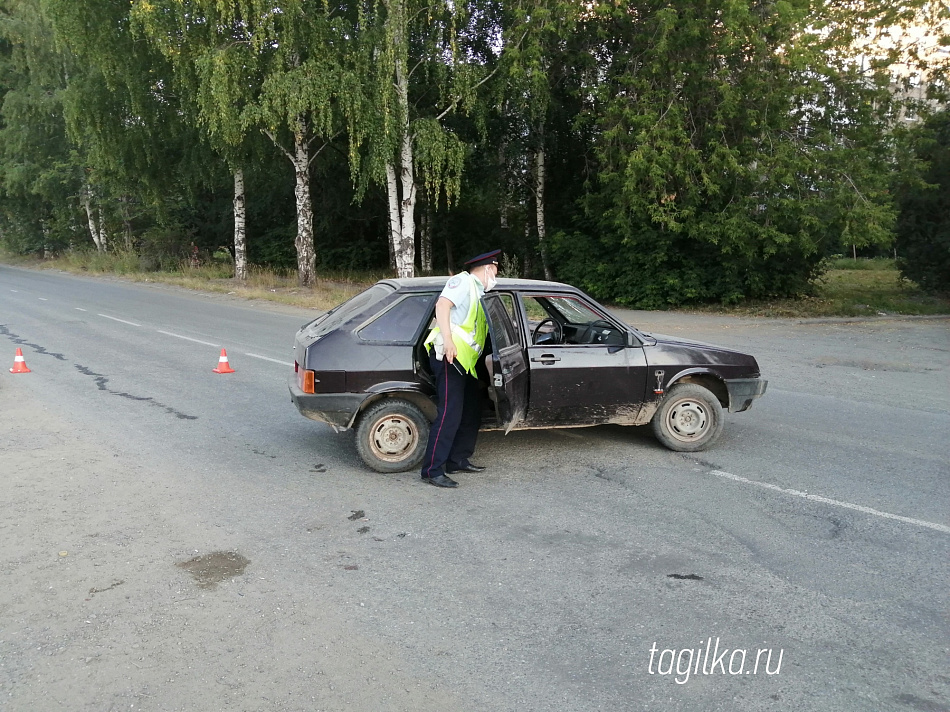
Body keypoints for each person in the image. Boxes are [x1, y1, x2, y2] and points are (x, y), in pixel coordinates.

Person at [420, 249, 500, 488]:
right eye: (495, 270)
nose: (496, 275)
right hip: (450, 355)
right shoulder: (463, 281)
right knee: (449, 414)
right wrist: (449, 340)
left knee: (471, 410)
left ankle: (458, 460)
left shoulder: (479, 290)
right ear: (487, 268)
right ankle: (432, 470)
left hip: (465, 362)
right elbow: (442, 306)